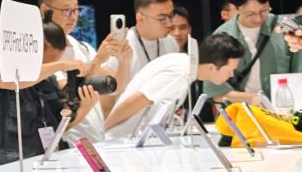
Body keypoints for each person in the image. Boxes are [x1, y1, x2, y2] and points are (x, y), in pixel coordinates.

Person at [0, 20, 99, 166]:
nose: (48, 68)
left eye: (54, 61)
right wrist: (62, 65)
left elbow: (61, 126)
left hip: (49, 160)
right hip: (13, 165)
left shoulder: (49, 79)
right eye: (46, 62)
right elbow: (14, 80)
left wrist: (85, 107)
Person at [37, 0, 131, 142]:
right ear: (45, 10)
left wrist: (124, 60)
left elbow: (114, 86)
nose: (73, 17)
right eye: (66, 10)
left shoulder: (83, 47)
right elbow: (68, 96)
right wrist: (97, 61)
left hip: (94, 140)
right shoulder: (40, 53)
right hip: (66, 143)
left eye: (76, 10)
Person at [105, 33, 245, 139]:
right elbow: (136, 100)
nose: (231, 75)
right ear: (211, 67)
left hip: (134, 139)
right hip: (122, 140)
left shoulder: (183, 65)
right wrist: (103, 129)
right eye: (230, 70)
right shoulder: (179, 72)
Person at [204, 0, 300, 104]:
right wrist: (255, 100)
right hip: (242, 112)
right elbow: (216, 92)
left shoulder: (285, 28)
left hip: (284, 111)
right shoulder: (222, 37)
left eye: (264, 10)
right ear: (235, 8)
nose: (258, 18)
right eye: (250, 14)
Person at [106, 0, 179, 78]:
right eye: (162, 19)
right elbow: (112, 84)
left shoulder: (171, 42)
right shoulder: (123, 45)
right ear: (140, 19)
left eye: (171, 16)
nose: (169, 24)